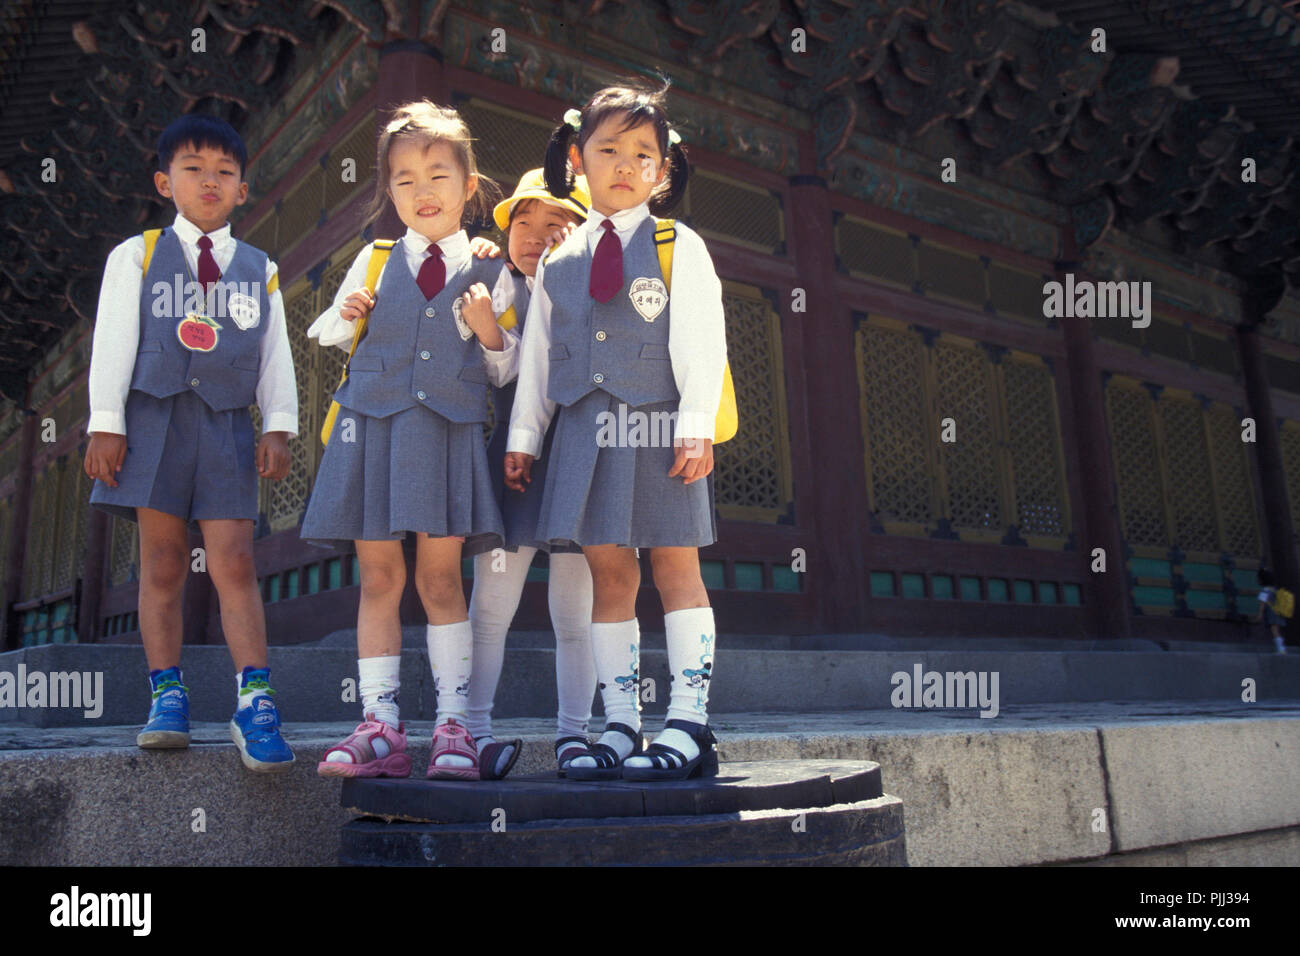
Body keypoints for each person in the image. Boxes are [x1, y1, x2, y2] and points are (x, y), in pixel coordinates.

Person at [505, 78, 727, 781]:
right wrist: (524, 438)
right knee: (608, 572)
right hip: (583, 433)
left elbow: (702, 337)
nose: (625, 164)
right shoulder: (559, 262)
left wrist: (695, 425)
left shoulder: (675, 244)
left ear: (663, 169)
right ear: (577, 158)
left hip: (660, 427)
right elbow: (539, 360)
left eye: (642, 153)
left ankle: (690, 721)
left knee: (674, 565)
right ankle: (622, 723)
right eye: (608, 149)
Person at [84, 113, 297, 772]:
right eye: (193, 169)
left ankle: (254, 699)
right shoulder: (138, 254)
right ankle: (166, 694)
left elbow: (273, 353)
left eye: (225, 173)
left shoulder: (259, 269)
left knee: (234, 560)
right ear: (164, 180)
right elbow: (114, 338)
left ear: (241, 190)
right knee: (164, 563)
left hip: (228, 424)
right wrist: (105, 421)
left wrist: (280, 423)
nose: (209, 182)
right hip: (153, 421)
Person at [305, 100, 511, 780]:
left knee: (441, 578)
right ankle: (380, 725)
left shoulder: (491, 269)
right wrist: (346, 310)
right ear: (388, 191)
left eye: (438, 175)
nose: (422, 192)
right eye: (404, 180)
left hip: (445, 433)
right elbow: (325, 336)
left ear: (469, 185)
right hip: (372, 428)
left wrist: (488, 330)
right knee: (381, 577)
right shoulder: (374, 255)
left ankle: (454, 725)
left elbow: (506, 367)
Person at [467, 169, 596, 779]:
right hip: (512, 462)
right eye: (523, 222)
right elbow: (497, 374)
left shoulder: (589, 287)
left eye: (554, 226)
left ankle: (575, 735)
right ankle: (473, 732)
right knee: (491, 607)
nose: (535, 236)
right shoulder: (492, 280)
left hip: (574, 458)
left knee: (574, 614)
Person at [1255, 568, 1289, 655]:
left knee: (1274, 630)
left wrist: (1260, 614)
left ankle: (1281, 649)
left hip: (1272, 613)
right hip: (1278, 612)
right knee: (1277, 630)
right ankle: (1281, 647)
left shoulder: (1265, 590)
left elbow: (1262, 604)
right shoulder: (1274, 589)